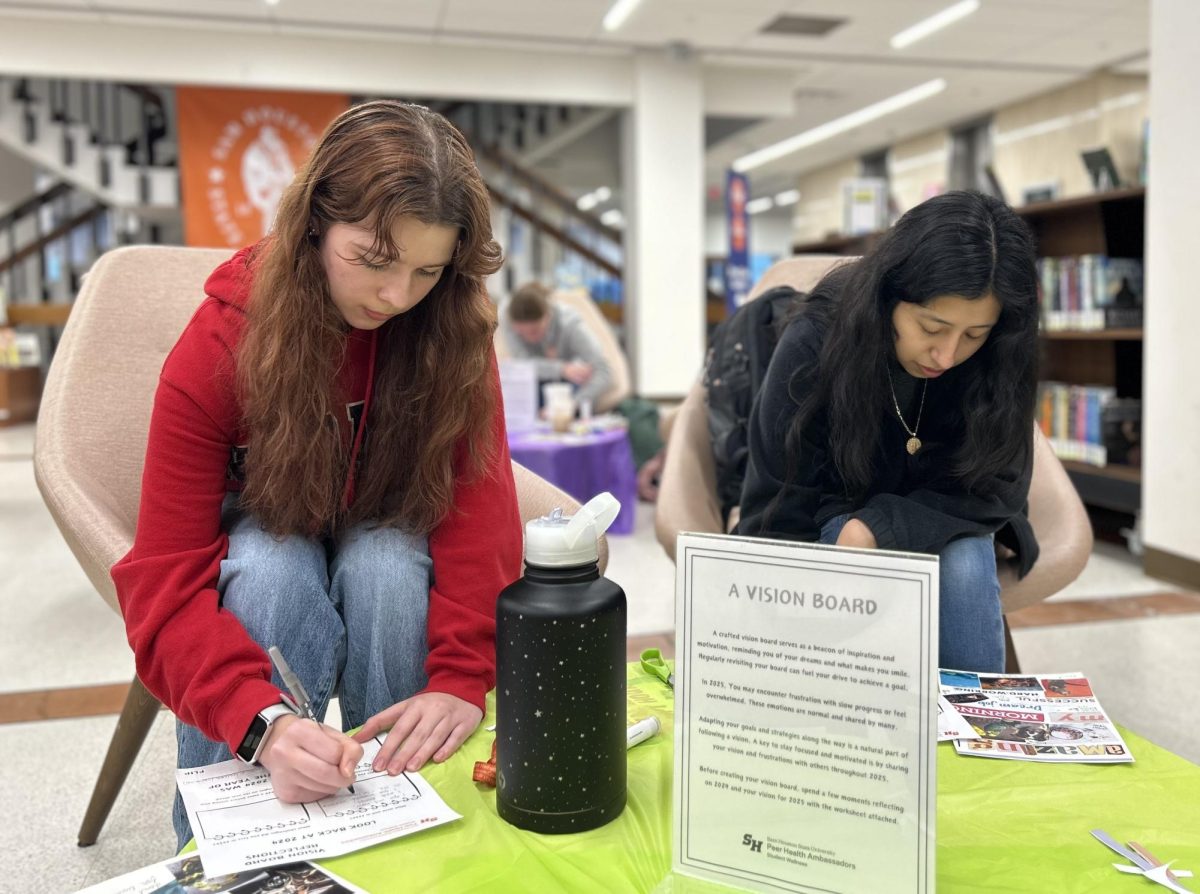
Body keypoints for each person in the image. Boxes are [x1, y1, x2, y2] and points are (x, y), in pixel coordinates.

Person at [111, 100, 523, 847]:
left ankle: (413, 823)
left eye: (428, 270)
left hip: (390, 521)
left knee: (389, 566)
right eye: (373, 259)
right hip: (263, 530)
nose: (397, 296)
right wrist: (258, 724)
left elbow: (480, 516)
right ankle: (226, 851)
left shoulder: (453, 332)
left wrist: (461, 679)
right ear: (311, 228)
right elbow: (163, 579)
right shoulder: (217, 347)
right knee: (270, 569)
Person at [737, 190, 1041, 673]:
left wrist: (879, 527)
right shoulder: (818, 338)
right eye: (931, 327)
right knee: (894, 571)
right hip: (833, 512)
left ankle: (973, 736)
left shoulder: (1004, 350)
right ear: (889, 295)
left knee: (962, 562)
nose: (946, 355)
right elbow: (779, 499)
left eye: (973, 336)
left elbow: (1001, 482)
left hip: (952, 509)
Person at [499, 281, 613, 410]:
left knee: (578, 382)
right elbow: (523, 364)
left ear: (548, 316)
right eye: (520, 333)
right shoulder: (506, 315)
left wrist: (571, 405)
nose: (529, 338)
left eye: (535, 331)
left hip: (568, 389)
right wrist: (561, 369)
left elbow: (604, 371)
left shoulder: (571, 325)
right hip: (534, 384)